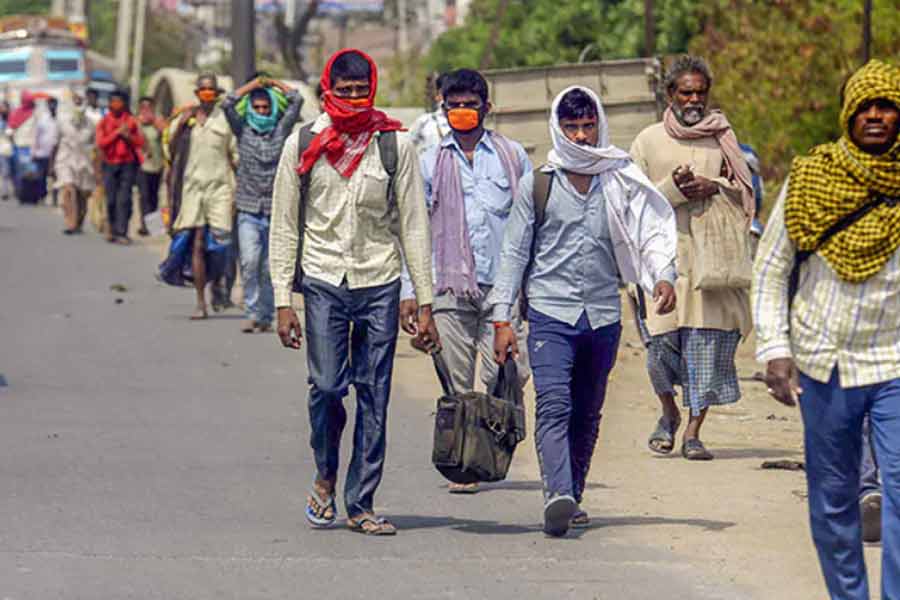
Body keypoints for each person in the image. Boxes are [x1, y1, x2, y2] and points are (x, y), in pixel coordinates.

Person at [490, 86, 676, 537]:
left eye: (587, 126)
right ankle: (557, 492)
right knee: (554, 403)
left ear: (599, 126)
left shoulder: (619, 179)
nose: (581, 135)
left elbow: (649, 230)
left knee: (587, 410)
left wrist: (663, 276)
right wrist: (502, 319)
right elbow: (514, 253)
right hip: (551, 314)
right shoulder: (539, 184)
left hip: (603, 317)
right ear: (558, 128)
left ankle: (574, 491)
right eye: (572, 126)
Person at [269, 49, 437, 536]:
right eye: (343, 92)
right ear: (328, 90)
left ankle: (360, 501)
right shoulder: (303, 143)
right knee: (325, 387)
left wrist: (421, 298)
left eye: (360, 92)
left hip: (379, 279)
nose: (352, 100)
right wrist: (284, 298)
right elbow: (284, 225)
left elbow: (413, 225)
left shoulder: (394, 145)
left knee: (375, 392)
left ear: (372, 89)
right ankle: (325, 472)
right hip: (323, 279)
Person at [753, 59, 900, 600]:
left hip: (895, 362)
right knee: (833, 500)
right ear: (847, 114)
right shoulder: (811, 177)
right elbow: (770, 271)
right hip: (825, 363)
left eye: (887, 105)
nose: (876, 115)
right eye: (865, 106)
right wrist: (774, 349)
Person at [401, 68, 531, 494]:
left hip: (502, 290)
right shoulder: (429, 162)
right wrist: (412, 294)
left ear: (486, 108)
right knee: (457, 383)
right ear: (443, 109)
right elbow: (414, 231)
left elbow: (529, 224)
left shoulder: (513, 157)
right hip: (449, 288)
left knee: (505, 375)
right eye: (452, 105)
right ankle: (467, 464)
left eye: (469, 105)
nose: (461, 112)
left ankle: (497, 445)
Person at [630, 55, 754, 461]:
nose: (694, 99)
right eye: (686, 92)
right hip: (662, 261)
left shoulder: (722, 138)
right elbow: (630, 202)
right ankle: (668, 412)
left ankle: (694, 433)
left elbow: (746, 194)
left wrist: (713, 185)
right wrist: (675, 188)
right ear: (670, 94)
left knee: (708, 348)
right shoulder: (647, 141)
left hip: (712, 263)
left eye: (701, 92)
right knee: (659, 349)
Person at [222, 75, 303, 334]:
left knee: (271, 266)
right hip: (248, 209)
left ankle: (266, 314)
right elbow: (226, 103)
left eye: (265, 107)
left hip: (275, 210)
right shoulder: (242, 129)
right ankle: (252, 310)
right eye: (256, 107)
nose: (261, 112)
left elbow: (297, 99)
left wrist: (275, 84)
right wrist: (253, 86)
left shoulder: (281, 129)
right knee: (249, 261)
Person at [166, 73, 237, 320]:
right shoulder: (185, 119)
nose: (207, 95)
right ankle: (200, 302)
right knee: (196, 242)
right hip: (193, 188)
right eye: (203, 91)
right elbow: (172, 152)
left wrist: (238, 192)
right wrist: (182, 125)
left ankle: (217, 282)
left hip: (220, 188)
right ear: (197, 93)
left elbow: (234, 156)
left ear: (216, 95)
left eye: (211, 91)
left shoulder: (226, 120)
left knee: (221, 243)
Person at [96, 89, 144, 244]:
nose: (115, 105)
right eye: (113, 101)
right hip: (109, 164)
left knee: (124, 199)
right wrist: (117, 133)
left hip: (127, 164)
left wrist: (128, 136)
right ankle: (111, 227)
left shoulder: (131, 121)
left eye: (119, 101)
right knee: (110, 199)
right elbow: (101, 143)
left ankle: (122, 232)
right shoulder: (104, 122)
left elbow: (140, 143)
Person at [55, 92, 96, 234]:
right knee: (68, 189)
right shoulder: (62, 122)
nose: (78, 103)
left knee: (82, 194)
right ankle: (70, 223)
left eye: (80, 100)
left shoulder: (91, 124)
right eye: (75, 100)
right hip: (65, 160)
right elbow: (55, 143)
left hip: (84, 163)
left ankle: (78, 221)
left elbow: (95, 146)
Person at [136, 97, 165, 236]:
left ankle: (153, 226)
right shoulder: (137, 124)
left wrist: (154, 122)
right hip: (142, 165)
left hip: (157, 165)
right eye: (143, 106)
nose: (146, 109)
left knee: (154, 196)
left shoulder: (157, 122)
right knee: (144, 196)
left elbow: (166, 134)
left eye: (149, 106)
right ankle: (144, 225)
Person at [408, 72, 450, 154]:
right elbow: (408, 145)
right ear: (437, 96)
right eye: (444, 93)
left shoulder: (467, 124)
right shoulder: (425, 121)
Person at [0, 101, 12, 201]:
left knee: (7, 172)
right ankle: (4, 191)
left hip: (9, 149)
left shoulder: (11, 119)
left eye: (4, 107)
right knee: (5, 172)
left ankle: (6, 191)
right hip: (3, 149)